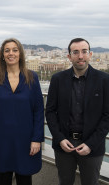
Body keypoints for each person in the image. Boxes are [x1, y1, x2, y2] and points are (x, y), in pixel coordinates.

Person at [46, 38, 109, 185]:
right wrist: (60, 139)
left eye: (84, 51)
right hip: (64, 145)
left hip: (92, 146)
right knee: (65, 182)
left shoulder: (104, 80)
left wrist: (91, 144)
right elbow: (50, 112)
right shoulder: (57, 79)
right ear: (69, 56)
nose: (80, 56)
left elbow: (107, 116)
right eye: (75, 52)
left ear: (90, 54)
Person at [0, 38, 44, 185]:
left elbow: (38, 111)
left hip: (25, 140)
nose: (11, 53)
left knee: (25, 179)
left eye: (15, 50)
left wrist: (37, 139)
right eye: (7, 50)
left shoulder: (32, 77)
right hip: (1, 139)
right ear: (2, 55)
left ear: (20, 54)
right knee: (3, 179)